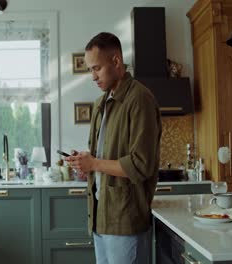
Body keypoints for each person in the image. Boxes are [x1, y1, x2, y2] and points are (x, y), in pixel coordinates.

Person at [65, 32, 162, 264]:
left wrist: (94, 163)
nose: (92, 76)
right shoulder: (101, 104)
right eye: (90, 69)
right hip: (100, 216)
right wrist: (85, 163)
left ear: (116, 61)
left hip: (126, 221)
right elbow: (103, 158)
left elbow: (140, 165)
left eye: (96, 68)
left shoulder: (140, 99)